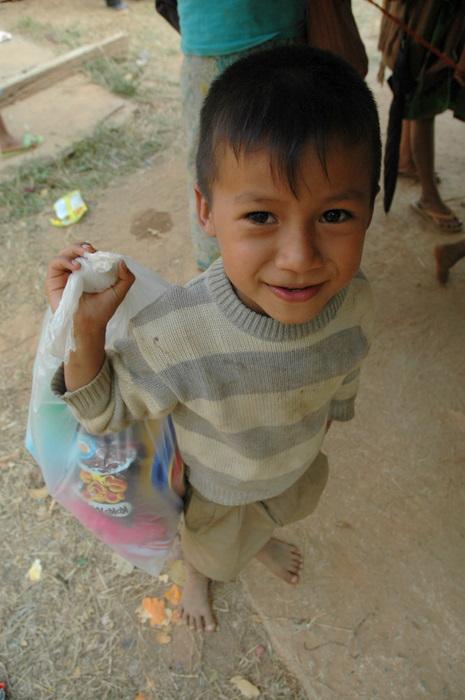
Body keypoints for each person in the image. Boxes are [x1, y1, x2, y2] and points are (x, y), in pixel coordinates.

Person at [46, 45, 381, 633]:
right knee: (212, 548)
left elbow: (345, 371)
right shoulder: (179, 332)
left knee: (277, 513)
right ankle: (199, 574)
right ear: (206, 210)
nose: (299, 258)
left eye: (334, 216)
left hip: (294, 465)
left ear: (370, 209)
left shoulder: (354, 301)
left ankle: (258, 540)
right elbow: (103, 414)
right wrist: (85, 328)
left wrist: (334, 412)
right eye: (261, 217)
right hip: (218, 489)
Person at [378, 0, 465, 232]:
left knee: (415, 95)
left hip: (434, 25)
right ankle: (429, 196)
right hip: (421, 27)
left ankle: (407, 159)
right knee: (421, 105)